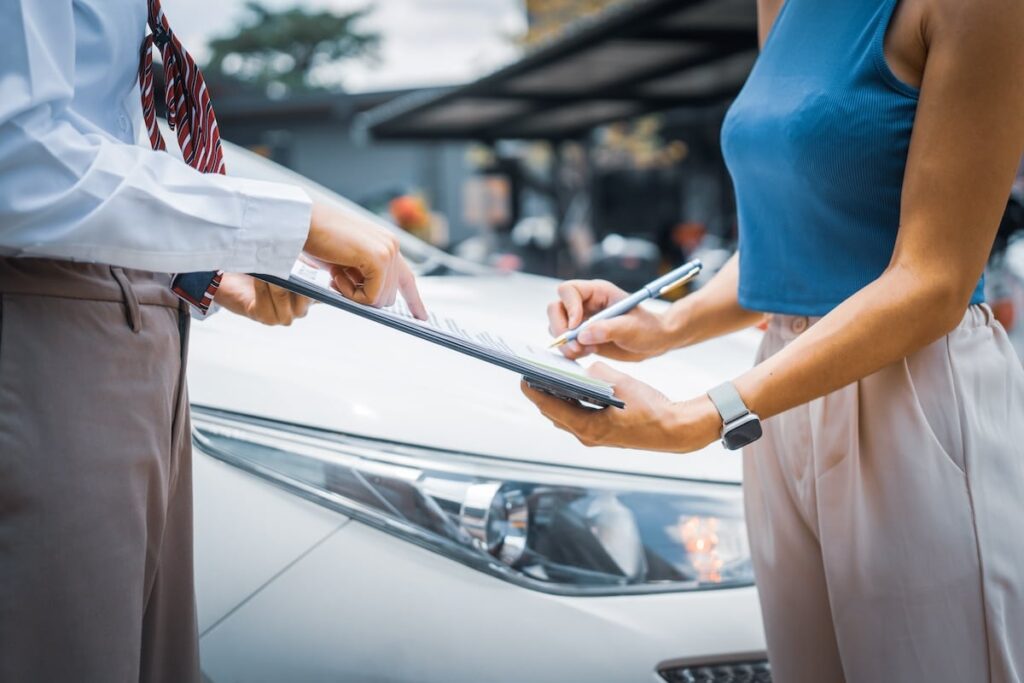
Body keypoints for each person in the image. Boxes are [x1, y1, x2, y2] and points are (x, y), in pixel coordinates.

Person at [523, 0, 1024, 681]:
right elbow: (782, 242)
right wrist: (667, 324)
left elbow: (933, 279)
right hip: (785, 387)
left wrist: (697, 417)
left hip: (916, 390)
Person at [0, 1, 425, 681]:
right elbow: (14, 162)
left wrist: (197, 262)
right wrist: (282, 222)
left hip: (132, 327)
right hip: (46, 333)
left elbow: (96, 142)